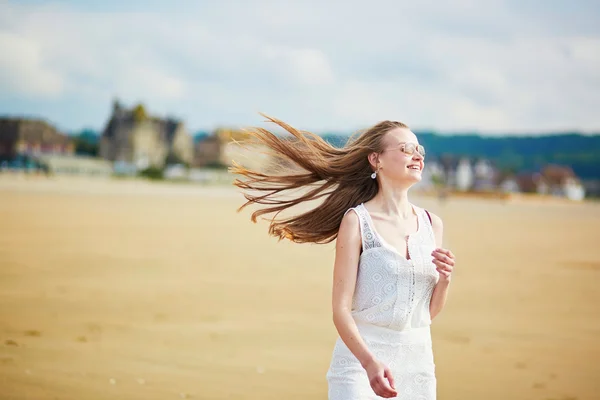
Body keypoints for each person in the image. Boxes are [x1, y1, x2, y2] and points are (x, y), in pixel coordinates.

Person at [231, 114, 456, 399]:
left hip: (417, 366)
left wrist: (445, 280)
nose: (417, 156)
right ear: (376, 160)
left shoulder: (431, 224)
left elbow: (426, 314)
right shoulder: (357, 221)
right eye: (405, 149)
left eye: (419, 150)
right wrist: (369, 363)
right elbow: (340, 311)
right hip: (360, 366)